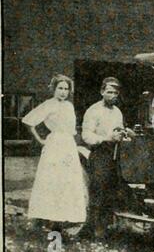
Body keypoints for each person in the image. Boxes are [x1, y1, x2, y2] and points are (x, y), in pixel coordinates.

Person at [22, 74, 88, 230]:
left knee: (68, 180)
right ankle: (47, 218)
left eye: (66, 89)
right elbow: (28, 121)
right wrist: (40, 140)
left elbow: (71, 130)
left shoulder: (69, 106)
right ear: (54, 89)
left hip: (68, 146)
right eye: (60, 88)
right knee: (52, 180)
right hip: (55, 145)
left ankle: (66, 217)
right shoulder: (48, 104)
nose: (63, 92)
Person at [82, 77, 137, 238]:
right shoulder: (93, 111)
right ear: (102, 92)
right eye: (109, 92)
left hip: (116, 155)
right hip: (100, 154)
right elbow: (86, 135)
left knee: (112, 192)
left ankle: (106, 228)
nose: (113, 95)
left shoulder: (117, 111)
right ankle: (91, 230)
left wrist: (126, 132)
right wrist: (107, 138)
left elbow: (118, 130)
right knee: (98, 191)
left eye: (115, 93)